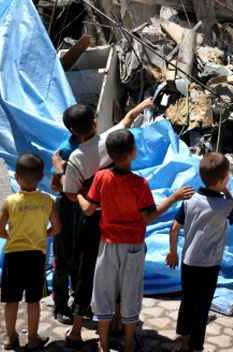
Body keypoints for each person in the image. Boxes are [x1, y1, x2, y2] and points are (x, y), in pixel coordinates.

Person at [76, 129, 194, 352]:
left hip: (108, 244)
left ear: (109, 154)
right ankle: (129, 343)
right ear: (132, 153)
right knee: (130, 292)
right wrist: (174, 197)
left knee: (102, 292)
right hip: (134, 246)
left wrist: (78, 195)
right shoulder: (139, 184)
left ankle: (103, 345)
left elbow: (89, 209)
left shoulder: (101, 178)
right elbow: (148, 217)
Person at [61, 99, 153, 347]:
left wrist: (80, 194)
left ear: (72, 132)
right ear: (94, 122)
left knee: (86, 272)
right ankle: (118, 323)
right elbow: (127, 120)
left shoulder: (76, 158)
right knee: (122, 272)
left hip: (91, 224)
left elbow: (70, 192)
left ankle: (77, 329)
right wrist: (141, 106)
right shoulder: (109, 140)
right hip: (119, 221)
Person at [166, 152, 233, 352]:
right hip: (209, 265)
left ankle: (183, 336)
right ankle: (195, 345)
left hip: (188, 262)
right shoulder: (226, 205)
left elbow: (174, 227)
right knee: (202, 304)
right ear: (224, 179)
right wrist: (228, 191)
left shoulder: (190, 200)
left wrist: (172, 252)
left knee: (188, 300)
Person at [0, 153, 61, 350]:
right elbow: (57, 228)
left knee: (11, 300)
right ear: (41, 177)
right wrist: (43, 234)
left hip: (13, 256)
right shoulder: (47, 201)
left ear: (16, 177)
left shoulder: (10, 201)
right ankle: (33, 338)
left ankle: (10, 337)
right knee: (33, 301)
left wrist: (13, 238)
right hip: (36, 256)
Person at [50, 116, 81, 325]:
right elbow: (54, 185)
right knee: (63, 259)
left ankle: (79, 302)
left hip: (85, 208)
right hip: (68, 209)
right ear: (72, 129)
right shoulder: (64, 151)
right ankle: (60, 305)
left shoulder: (93, 145)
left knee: (81, 257)